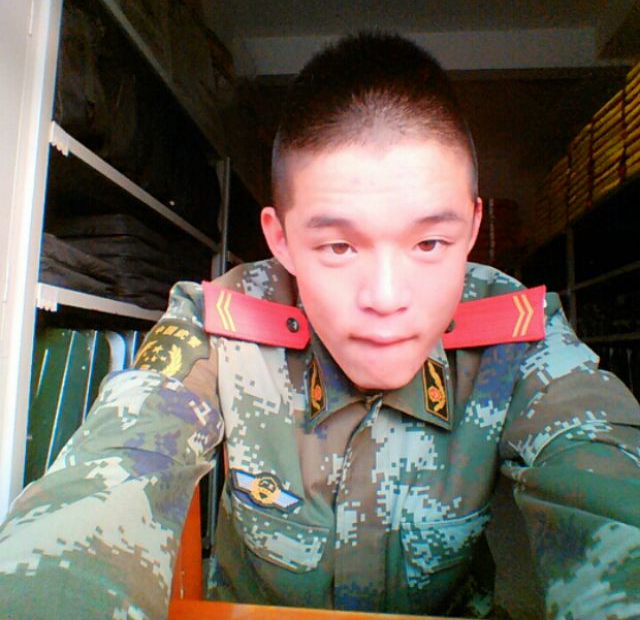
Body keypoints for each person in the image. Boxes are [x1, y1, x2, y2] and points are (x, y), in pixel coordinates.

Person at [1, 32, 639, 620]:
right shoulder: (223, 322)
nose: (386, 298)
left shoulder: (516, 334)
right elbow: (112, 472)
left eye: (430, 243)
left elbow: (607, 487)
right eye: (339, 246)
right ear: (280, 239)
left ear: (472, 230)